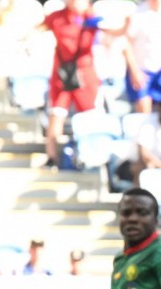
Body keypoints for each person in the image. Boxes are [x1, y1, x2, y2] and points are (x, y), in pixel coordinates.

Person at [40, 0, 103, 167]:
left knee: (89, 116)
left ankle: (92, 156)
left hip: (85, 73)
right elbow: (39, 28)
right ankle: (52, 156)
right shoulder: (56, 17)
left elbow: (111, 31)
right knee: (56, 113)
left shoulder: (91, 17)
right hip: (62, 73)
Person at [122, 0, 161, 115]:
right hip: (143, 70)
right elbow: (127, 44)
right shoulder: (137, 13)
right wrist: (134, 71)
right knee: (144, 111)